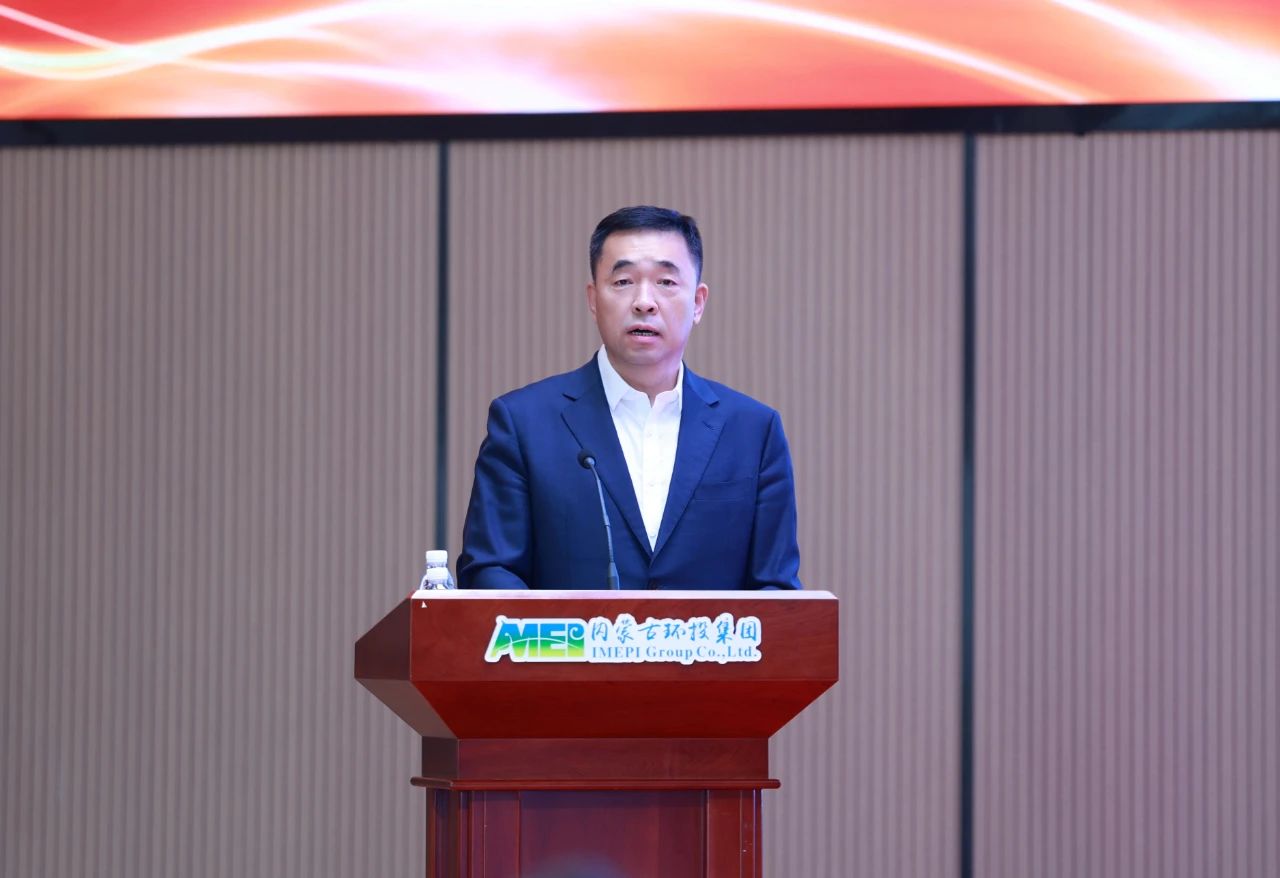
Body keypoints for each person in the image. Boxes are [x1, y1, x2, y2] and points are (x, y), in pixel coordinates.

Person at [457, 205, 801, 590]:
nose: (644, 302)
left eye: (666, 282)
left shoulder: (753, 432)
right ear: (593, 299)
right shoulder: (524, 424)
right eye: (623, 282)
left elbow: (777, 589)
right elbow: (491, 571)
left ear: (698, 302)